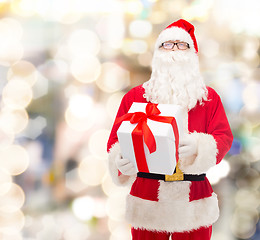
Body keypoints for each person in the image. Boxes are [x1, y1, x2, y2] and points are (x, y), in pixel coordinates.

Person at [107, 19, 233, 240]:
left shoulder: (209, 99)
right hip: (147, 199)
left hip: (193, 200)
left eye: (181, 44)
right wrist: (120, 161)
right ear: (157, 53)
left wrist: (199, 146)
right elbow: (115, 142)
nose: (174, 50)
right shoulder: (135, 97)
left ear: (192, 53)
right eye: (168, 44)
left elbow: (223, 137)